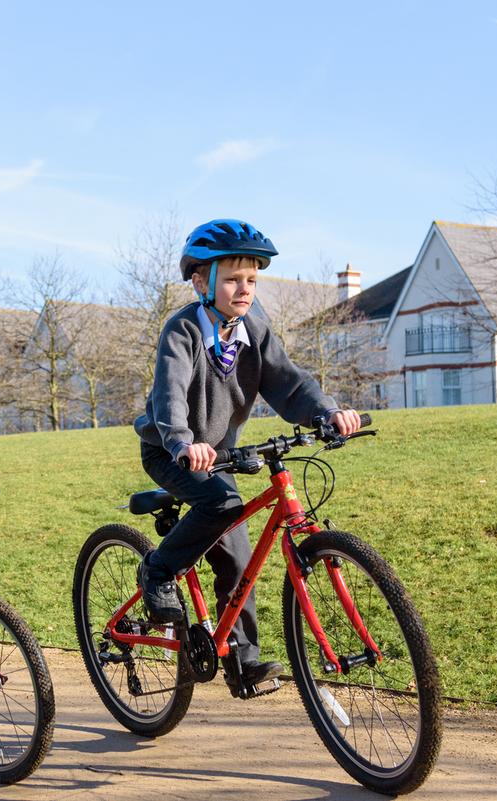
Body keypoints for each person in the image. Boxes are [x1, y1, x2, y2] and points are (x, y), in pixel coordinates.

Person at [133, 218, 361, 690]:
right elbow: (169, 396)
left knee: (238, 558)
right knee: (223, 505)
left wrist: (325, 412)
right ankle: (157, 571)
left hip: (220, 456)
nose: (244, 288)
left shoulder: (254, 328)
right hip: (171, 450)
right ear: (201, 281)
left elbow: (287, 381)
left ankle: (242, 662)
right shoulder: (182, 331)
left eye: (252, 279)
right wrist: (181, 440)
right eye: (233, 278)